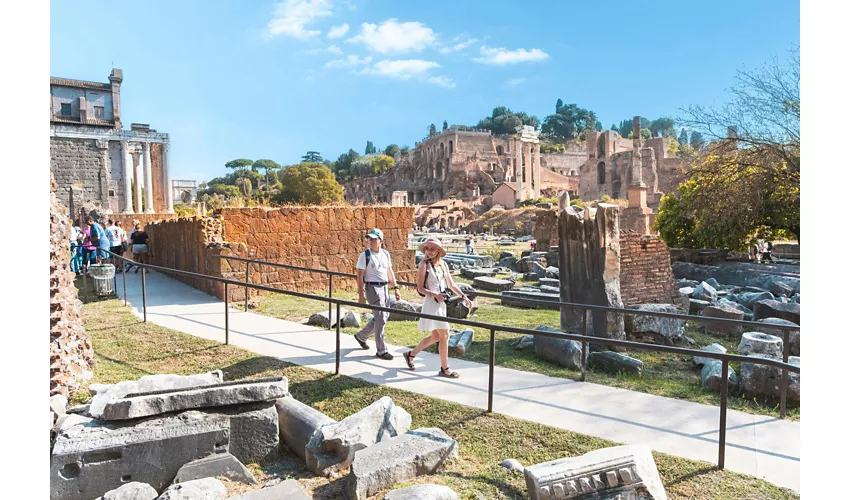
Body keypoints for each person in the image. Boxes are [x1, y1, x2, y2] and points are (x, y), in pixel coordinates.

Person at [403, 237, 473, 378]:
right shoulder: (424, 265)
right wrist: (434, 294)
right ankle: (445, 368)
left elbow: (451, 284)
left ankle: (410, 354)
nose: (429, 251)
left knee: (436, 336)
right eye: (427, 248)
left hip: (441, 304)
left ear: (438, 251)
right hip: (431, 303)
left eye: (432, 249)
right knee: (445, 335)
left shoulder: (443, 265)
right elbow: (420, 288)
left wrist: (464, 296)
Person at [353, 228, 401, 360]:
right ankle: (381, 350)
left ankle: (361, 336)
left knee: (382, 316)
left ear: (380, 240)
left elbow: (389, 272)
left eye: (374, 239)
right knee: (381, 318)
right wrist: (361, 296)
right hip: (372, 288)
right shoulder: (365, 255)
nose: (370, 241)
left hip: (384, 288)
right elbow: (359, 276)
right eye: (369, 239)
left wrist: (395, 288)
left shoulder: (385, 254)